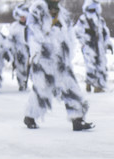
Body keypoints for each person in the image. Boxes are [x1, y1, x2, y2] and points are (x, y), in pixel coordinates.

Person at [23, 0, 94, 131]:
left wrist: (68, 50)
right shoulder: (37, 10)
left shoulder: (63, 13)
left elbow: (69, 33)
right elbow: (32, 32)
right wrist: (39, 50)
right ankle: (30, 116)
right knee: (42, 89)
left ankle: (77, 119)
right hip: (44, 58)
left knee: (70, 86)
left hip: (61, 59)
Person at [73, 0, 112, 93]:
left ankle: (98, 85)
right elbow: (77, 32)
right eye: (91, 9)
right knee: (90, 65)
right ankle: (89, 83)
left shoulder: (100, 20)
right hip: (88, 46)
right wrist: (87, 36)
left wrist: (108, 43)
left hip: (100, 46)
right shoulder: (83, 19)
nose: (93, 11)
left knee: (101, 65)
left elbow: (105, 32)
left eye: (94, 9)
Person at [6, 3, 30, 91]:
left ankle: (30, 82)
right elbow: (10, 40)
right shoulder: (15, 27)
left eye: (24, 16)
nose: (23, 18)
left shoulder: (31, 26)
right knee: (20, 68)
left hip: (30, 50)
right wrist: (11, 50)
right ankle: (22, 83)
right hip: (19, 50)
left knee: (31, 68)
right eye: (21, 16)